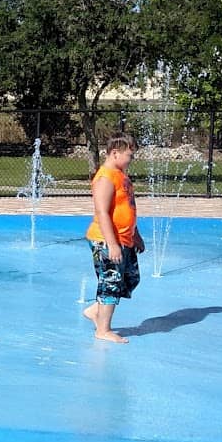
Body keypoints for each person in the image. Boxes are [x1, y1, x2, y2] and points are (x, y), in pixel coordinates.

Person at [83, 134, 144, 343]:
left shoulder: (121, 175)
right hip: (105, 239)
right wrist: (112, 244)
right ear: (115, 153)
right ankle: (103, 330)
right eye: (129, 155)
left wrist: (136, 235)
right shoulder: (105, 177)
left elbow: (126, 208)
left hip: (125, 238)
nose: (131, 159)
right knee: (111, 282)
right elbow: (102, 213)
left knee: (131, 278)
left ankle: (95, 310)